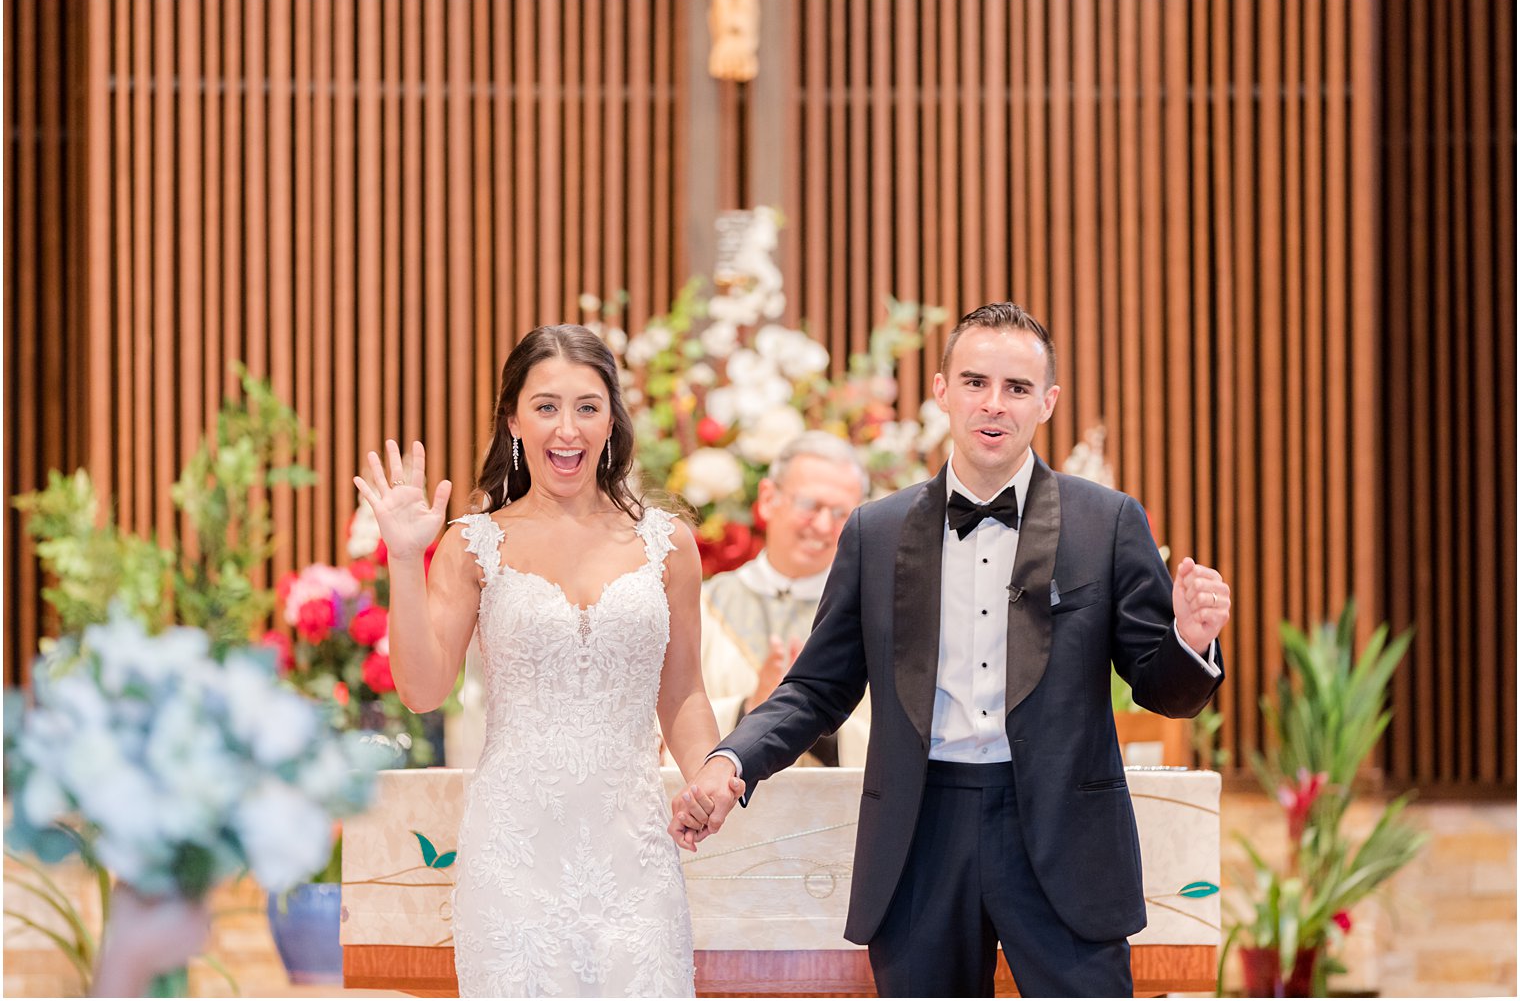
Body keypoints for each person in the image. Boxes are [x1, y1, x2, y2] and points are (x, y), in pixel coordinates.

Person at [670, 302, 1231, 997]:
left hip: (1060, 833)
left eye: (1017, 388)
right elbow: (817, 687)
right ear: (941, 391)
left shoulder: (1107, 521)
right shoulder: (876, 531)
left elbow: (1163, 689)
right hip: (921, 832)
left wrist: (1190, 640)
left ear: (1048, 402)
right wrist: (732, 757)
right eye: (974, 382)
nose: (993, 404)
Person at [356, 324, 738, 997]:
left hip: (635, 856)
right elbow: (420, 689)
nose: (568, 429)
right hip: (514, 856)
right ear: (514, 419)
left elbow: (682, 694)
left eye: (588, 406)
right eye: (546, 406)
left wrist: (708, 776)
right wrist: (404, 557)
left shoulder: (668, 542)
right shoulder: (472, 545)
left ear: (612, 420)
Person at [697, 431, 871, 766]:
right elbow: (661, 730)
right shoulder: (704, 608)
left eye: (840, 513)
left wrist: (812, 719)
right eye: (810, 505)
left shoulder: (868, 614)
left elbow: (893, 738)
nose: (823, 526)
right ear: (767, 498)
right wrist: (748, 712)